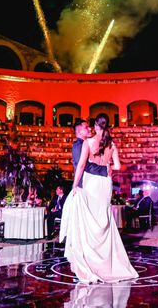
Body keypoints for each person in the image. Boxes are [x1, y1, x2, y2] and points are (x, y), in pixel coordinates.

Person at [59, 113, 138, 284]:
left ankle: (92, 262)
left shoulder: (88, 142)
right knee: (103, 221)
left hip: (92, 183)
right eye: (86, 127)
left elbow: (82, 165)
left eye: (91, 126)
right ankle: (106, 262)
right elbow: (117, 166)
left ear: (95, 126)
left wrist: (73, 186)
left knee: (91, 223)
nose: (89, 128)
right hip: (105, 183)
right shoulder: (111, 144)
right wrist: (107, 166)